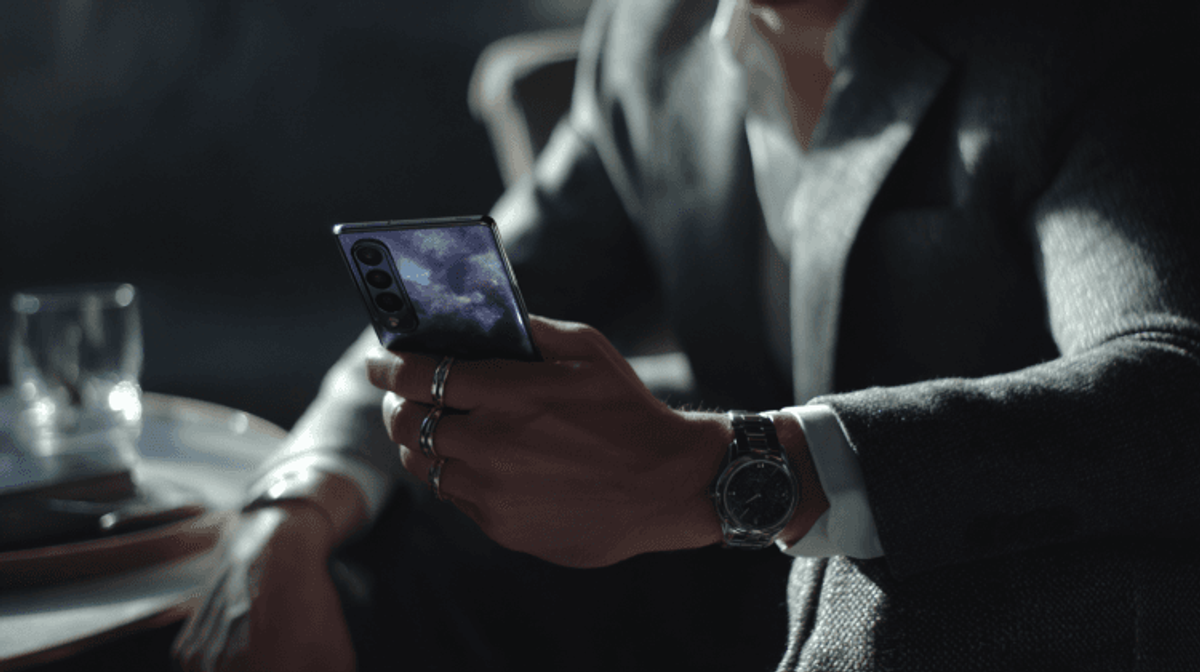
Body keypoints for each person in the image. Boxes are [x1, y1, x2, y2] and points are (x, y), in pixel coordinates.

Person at [174, 0, 1200, 669]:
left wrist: (724, 470)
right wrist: (289, 507)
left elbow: (1172, 384)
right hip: (727, 598)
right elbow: (469, 300)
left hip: (1005, 600)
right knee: (362, 550)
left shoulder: (1084, 36)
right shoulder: (655, 34)